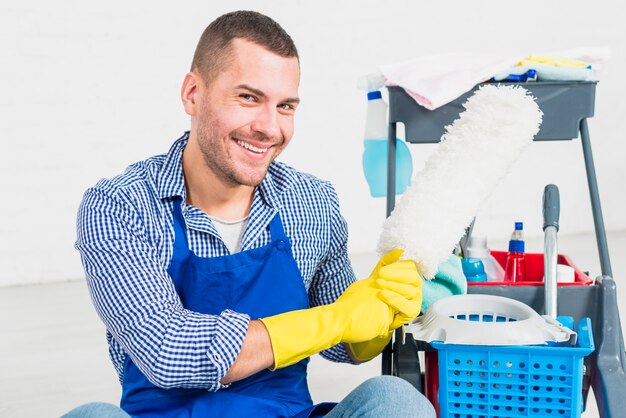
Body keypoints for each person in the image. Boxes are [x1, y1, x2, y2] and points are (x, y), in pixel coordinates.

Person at [72, 10, 435, 418]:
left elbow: (341, 343)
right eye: (249, 97)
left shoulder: (311, 202)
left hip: (283, 413)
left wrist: (383, 308)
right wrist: (336, 318)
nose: (269, 127)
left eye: (286, 106)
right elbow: (167, 352)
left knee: (395, 399)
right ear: (193, 93)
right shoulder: (121, 205)